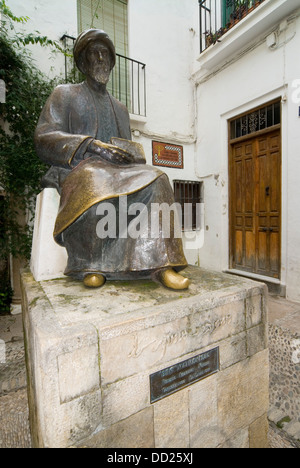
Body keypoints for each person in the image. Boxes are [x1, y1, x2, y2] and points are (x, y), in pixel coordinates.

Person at [35, 29, 189, 290]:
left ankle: (161, 264)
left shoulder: (120, 108)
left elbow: (126, 147)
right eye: (94, 53)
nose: (100, 58)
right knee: (95, 178)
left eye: (105, 53)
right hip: (82, 166)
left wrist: (131, 154)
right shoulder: (65, 94)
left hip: (119, 171)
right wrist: (90, 145)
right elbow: (44, 135)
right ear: (83, 62)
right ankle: (90, 264)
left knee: (158, 179)